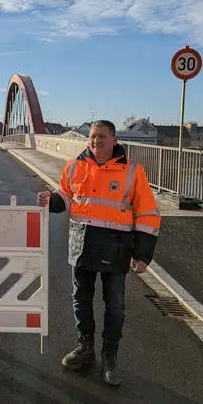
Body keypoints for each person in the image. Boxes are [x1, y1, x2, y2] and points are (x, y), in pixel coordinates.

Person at [37, 120, 160, 386]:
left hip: (116, 246)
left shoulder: (131, 171)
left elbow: (147, 212)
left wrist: (143, 253)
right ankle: (85, 347)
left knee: (114, 305)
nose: (96, 141)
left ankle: (110, 353)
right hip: (81, 244)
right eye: (93, 137)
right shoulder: (75, 165)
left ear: (114, 140)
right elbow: (67, 196)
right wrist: (52, 201)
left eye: (102, 137)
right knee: (81, 299)